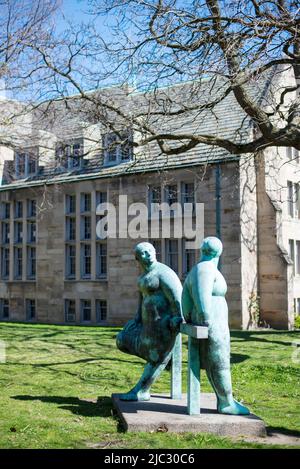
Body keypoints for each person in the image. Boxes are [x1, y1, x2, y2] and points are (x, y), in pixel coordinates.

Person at [182, 236, 250, 415]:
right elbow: (201, 295)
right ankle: (226, 402)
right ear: (219, 253)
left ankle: (224, 398)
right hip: (213, 324)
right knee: (220, 363)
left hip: (212, 322)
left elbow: (186, 299)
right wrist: (205, 318)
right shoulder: (205, 269)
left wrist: (190, 315)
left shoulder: (199, 268)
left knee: (215, 363)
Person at [116, 242, 183, 401]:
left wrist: (177, 316)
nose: (147, 255)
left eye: (149, 252)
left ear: (155, 252)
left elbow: (176, 296)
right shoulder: (143, 276)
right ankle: (164, 360)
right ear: (137, 258)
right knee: (121, 340)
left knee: (155, 355)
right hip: (147, 326)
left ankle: (141, 390)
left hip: (163, 325)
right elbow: (142, 299)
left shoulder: (164, 273)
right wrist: (137, 318)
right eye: (142, 254)